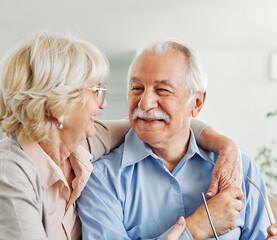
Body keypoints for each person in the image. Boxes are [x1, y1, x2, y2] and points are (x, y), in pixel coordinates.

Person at [0, 32, 243, 240]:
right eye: (95, 91)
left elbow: (156, 123)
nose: (102, 105)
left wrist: (227, 146)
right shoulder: (11, 172)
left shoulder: (82, 143)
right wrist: (197, 226)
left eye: (162, 90)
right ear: (58, 106)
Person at [77, 39, 277, 239]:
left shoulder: (241, 169)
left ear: (197, 103)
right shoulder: (100, 179)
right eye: (137, 88)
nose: (144, 103)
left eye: (162, 90)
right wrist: (197, 227)